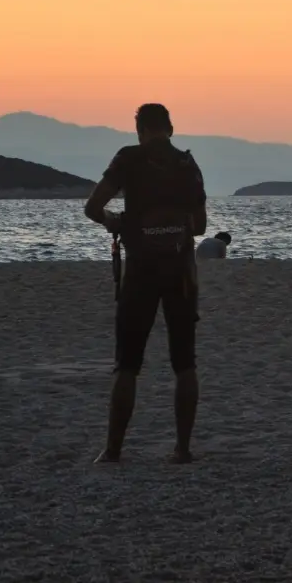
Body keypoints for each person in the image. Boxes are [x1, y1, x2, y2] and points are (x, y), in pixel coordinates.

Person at [84, 103, 207, 464]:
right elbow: (199, 227)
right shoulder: (187, 165)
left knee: (127, 364)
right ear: (171, 127)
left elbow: (93, 207)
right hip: (181, 273)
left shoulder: (128, 159)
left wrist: (114, 221)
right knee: (185, 363)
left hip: (140, 272)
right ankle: (182, 449)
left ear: (140, 130)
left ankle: (113, 450)